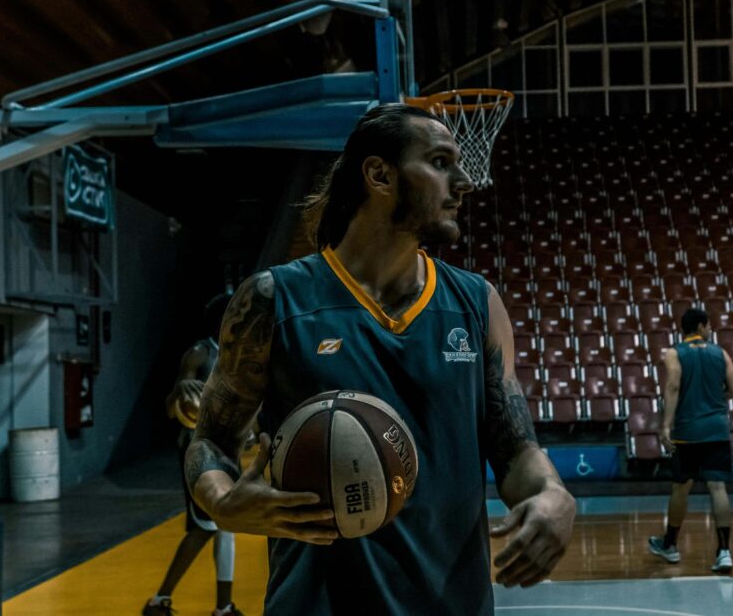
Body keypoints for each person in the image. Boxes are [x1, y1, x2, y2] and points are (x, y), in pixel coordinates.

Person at [184, 103, 576, 615]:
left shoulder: (477, 304)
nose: (464, 182)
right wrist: (220, 500)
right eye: (440, 162)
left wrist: (552, 493)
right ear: (379, 175)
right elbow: (211, 438)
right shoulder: (274, 299)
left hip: (451, 604)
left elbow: (516, 449)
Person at [143, 293, 245, 616]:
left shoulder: (239, 354)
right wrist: (179, 392)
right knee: (204, 527)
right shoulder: (200, 353)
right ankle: (159, 601)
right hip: (197, 447)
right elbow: (171, 409)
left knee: (227, 523)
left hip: (227, 444)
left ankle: (224, 607)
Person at [648, 308, 733, 574]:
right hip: (716, 428)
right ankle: (724, 552)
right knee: (718, 488)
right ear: (700, 326)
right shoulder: (720, 353)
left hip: (688, 429)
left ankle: (670, 545)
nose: (711, 330)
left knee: (681, 487)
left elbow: (673, 387)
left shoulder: (674, 353)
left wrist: (665, 425)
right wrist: (713, 395)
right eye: (709, 325)